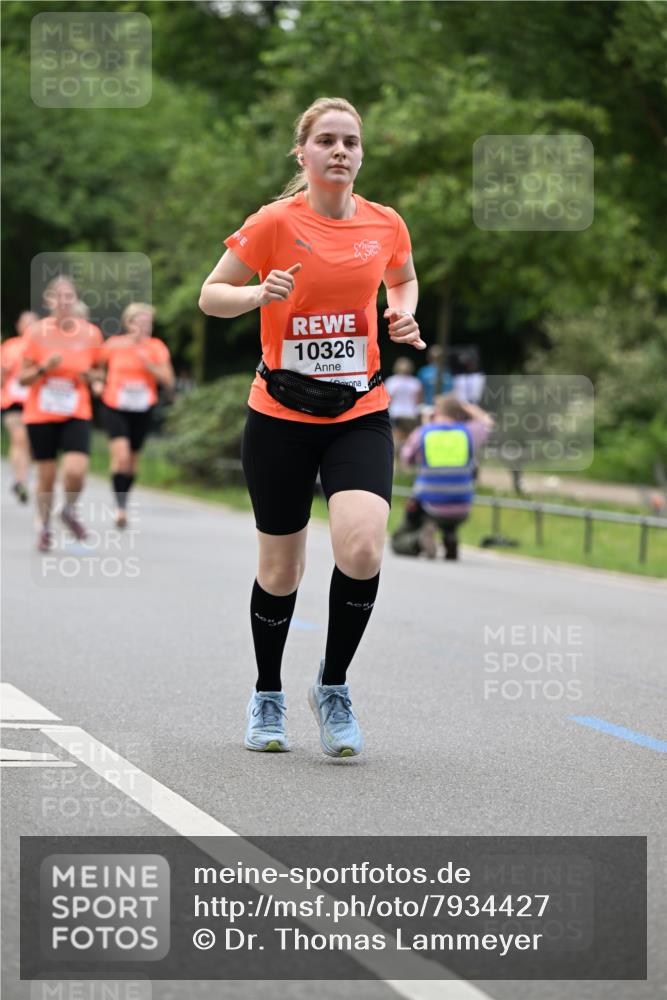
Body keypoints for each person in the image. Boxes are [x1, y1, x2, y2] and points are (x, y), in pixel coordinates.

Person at [199, 96, 425, 757]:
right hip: (279, 417)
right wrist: (255, 295)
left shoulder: (384, 224)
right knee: (281, 569)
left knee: (360, 548)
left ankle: (332, 686)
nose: (339, 151)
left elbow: (403, 278)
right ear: (303, 153)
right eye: (325, 140)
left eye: (349, 142)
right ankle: (267, 693)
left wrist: (399, 313)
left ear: (359, 154)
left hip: (357, 410)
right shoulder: (274, 222)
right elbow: (211, 295)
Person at [19, 277, 104, 551]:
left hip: (76, 410)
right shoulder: (35, 333)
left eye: (69, 297)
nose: (64, 301)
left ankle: (68, 509)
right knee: (46, 475)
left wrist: (93, 377)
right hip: (41, 413)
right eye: (58, 297)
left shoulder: (90, 333)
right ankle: (43, 527)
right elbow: (23, 379)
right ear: (49, 301)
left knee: (76, 471)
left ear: (75, 300)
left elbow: (99, 372)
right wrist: (45, 367)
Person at [94, 303, 174, 527]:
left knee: (131, 461)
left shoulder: (156, 347)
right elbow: (97, 367)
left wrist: (150, 366)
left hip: (142, 407)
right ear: (128, 323)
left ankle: (124, 501)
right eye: (139, 321)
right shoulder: (114, 345)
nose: (144, 326)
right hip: (115, 405)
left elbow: (168, 380)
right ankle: (119, 508)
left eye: (148, 323)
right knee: (120, 456)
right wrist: (98, 383)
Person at [393, 394, 494, 560]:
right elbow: (487, 422)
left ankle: (419, 540)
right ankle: (450, 536)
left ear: (437, 412)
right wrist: (465, 406)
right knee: (448, 514)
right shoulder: (468, 432)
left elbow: (405, 460)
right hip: (462, 506)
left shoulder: (424, 433)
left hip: (429, 505)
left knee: (399, 540)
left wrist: (426, 425)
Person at [1, 311, 38, 503]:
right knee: (19, 438)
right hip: (12, 401)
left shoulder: (42, 348)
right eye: (26, 323)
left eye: (34, 323)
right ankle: (20, 480)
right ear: (19, 326)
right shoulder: (10, 346)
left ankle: (20, 477)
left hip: (35, 403)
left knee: (28, 443)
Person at [384, 356, 422, 448]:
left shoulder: (391, 381)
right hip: (410, 413)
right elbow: (418, 400)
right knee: (410, 438)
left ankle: (397, 459)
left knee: (396, 438)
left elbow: (388, 400)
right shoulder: (415, 382)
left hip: (395, 413)